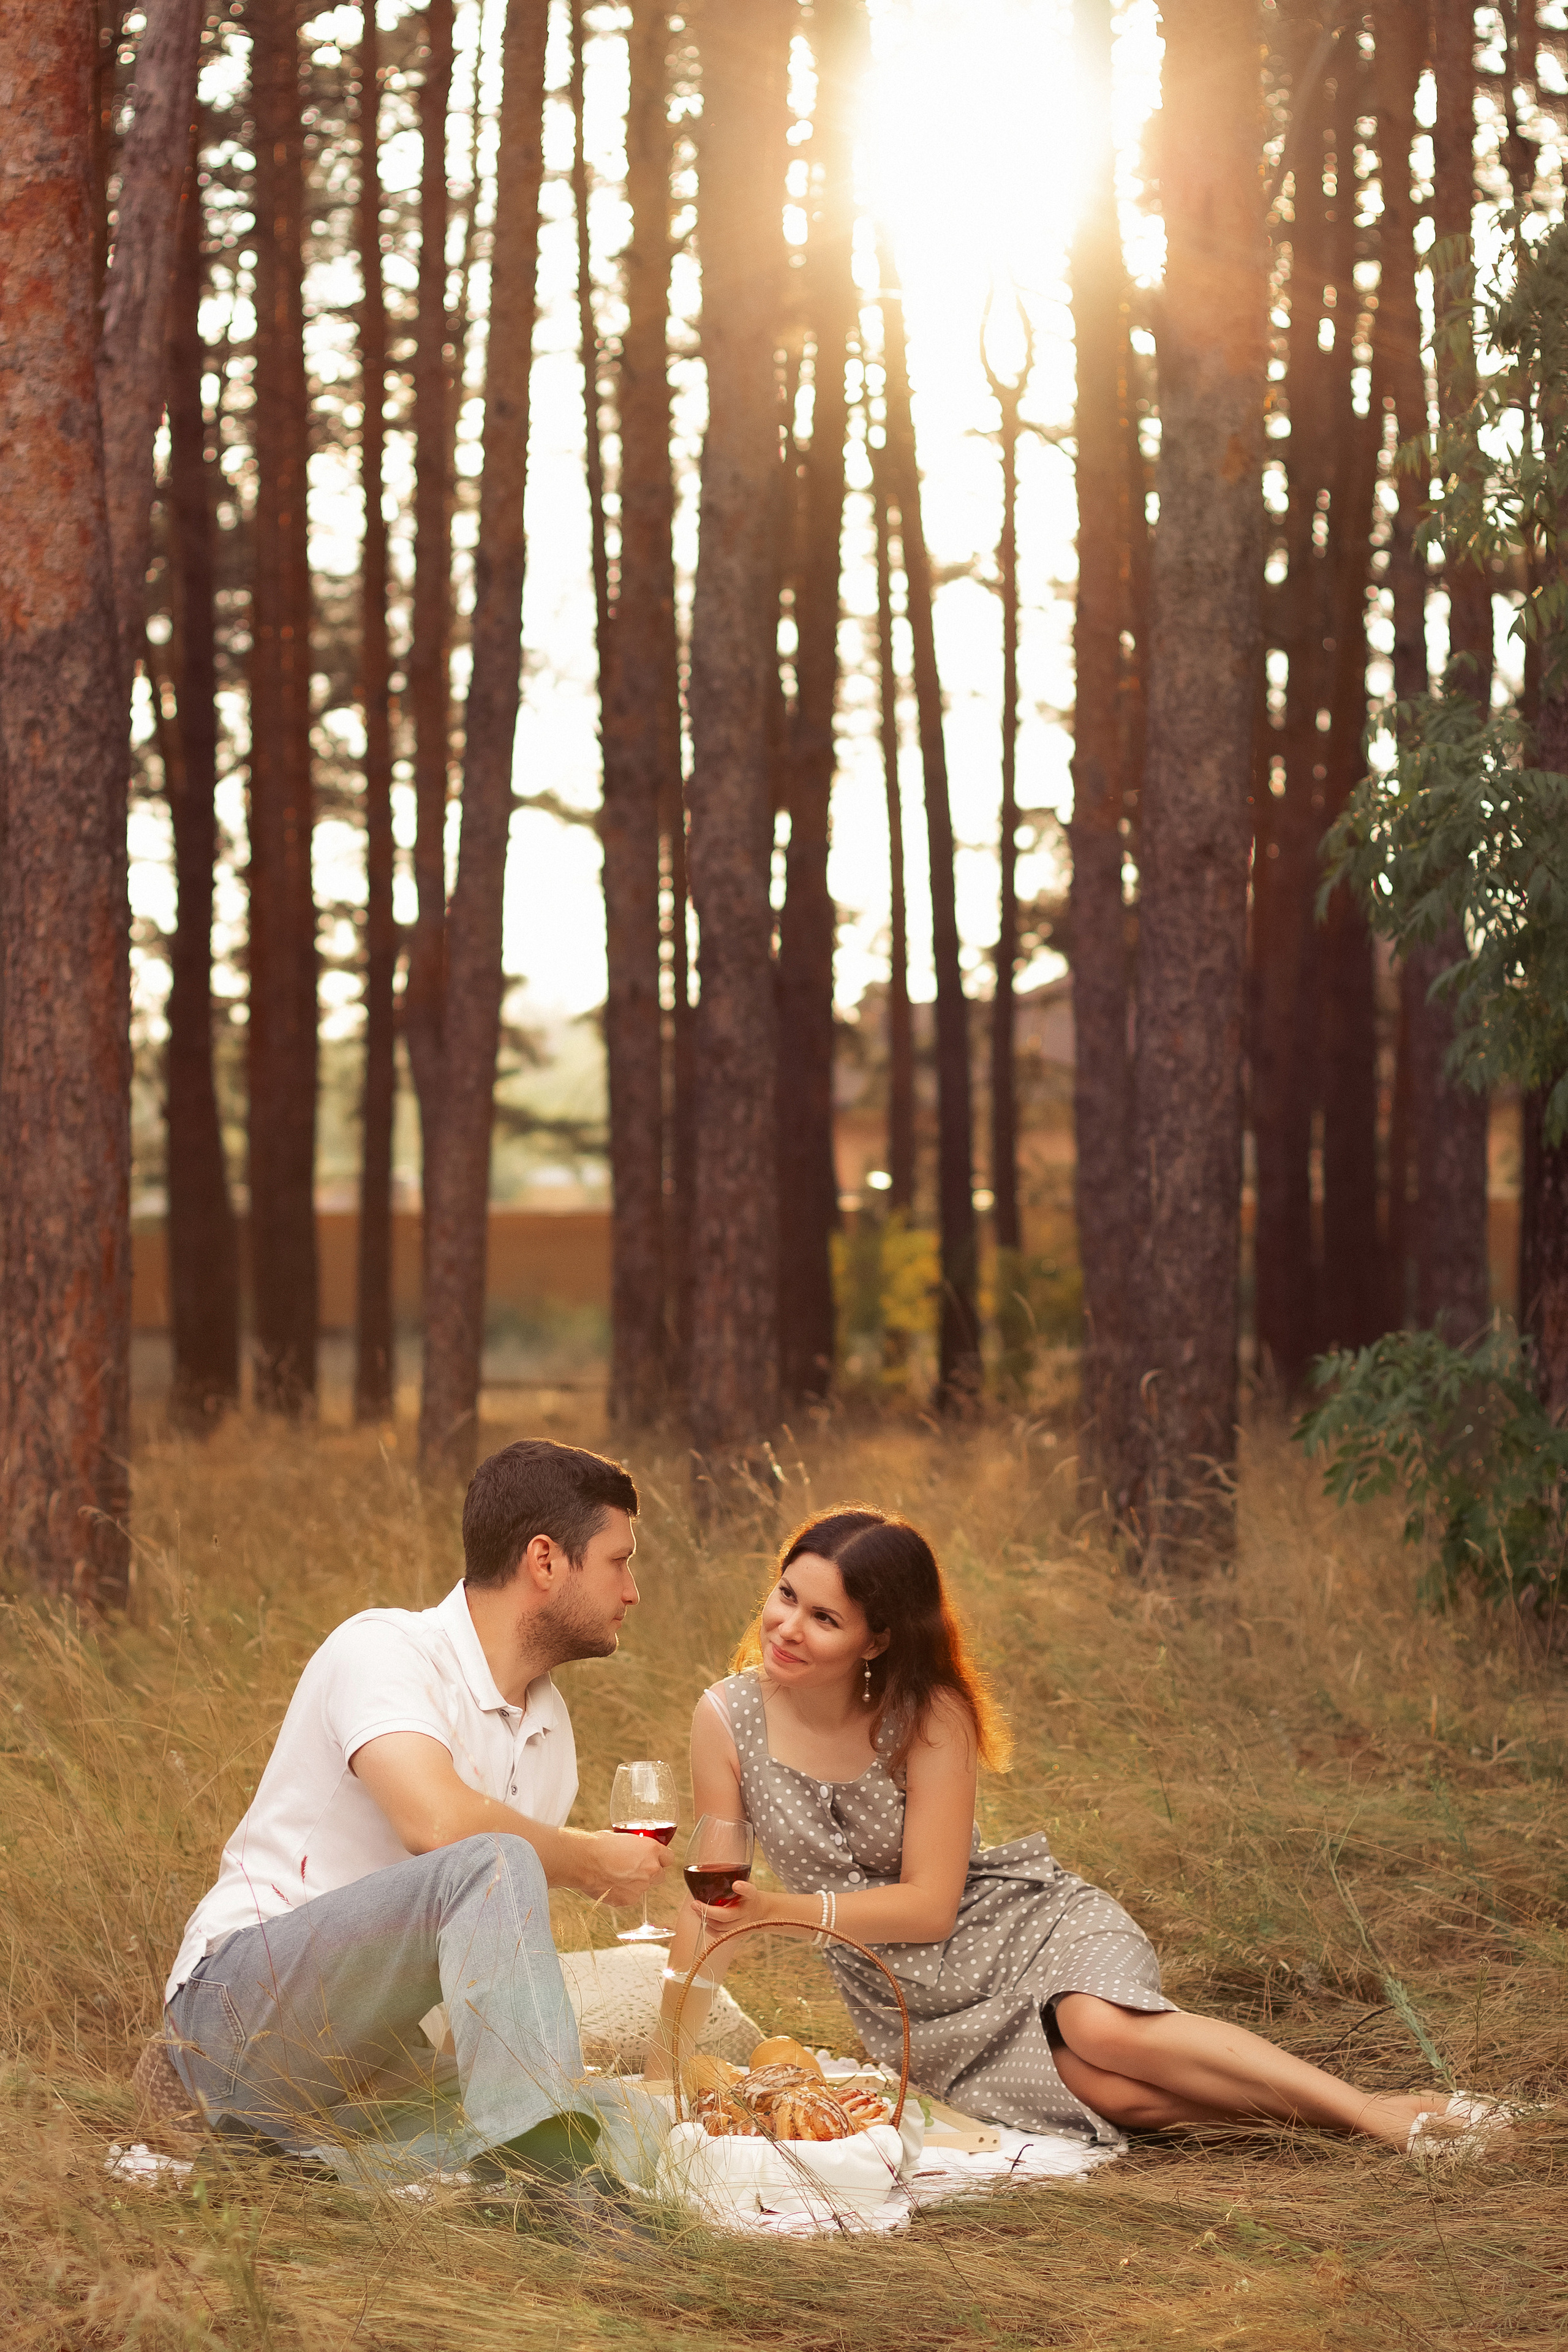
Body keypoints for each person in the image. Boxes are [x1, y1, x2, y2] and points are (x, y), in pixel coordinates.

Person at [649, 1506, 1504, 2160]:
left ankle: (1374, 2113)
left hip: (1018, 1928)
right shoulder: (727, 1718)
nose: (787, 1628)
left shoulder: (928, 1712)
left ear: (877, 1637)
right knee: (1115, 2095)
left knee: (1099, 2031)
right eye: (786, 1595)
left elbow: (932, 1906)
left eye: (823, 1618)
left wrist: (790, 1910)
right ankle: (1328, 2123)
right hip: (912, 2003)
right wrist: (665, 2067)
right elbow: (717, 1899)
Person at [151, 1438, 669, 2193]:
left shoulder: (550, 1732)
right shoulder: (384, 1650)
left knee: (627, 2116)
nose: (632, 1591)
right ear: (546, 1561)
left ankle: (282, 2169)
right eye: (620, 1562)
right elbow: (437, 1825)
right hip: (238, 2018)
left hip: (363, 2061)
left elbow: (482, 1984)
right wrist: (588, 1861)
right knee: (493, 1859)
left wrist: (521, 2086)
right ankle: (554, 2192)